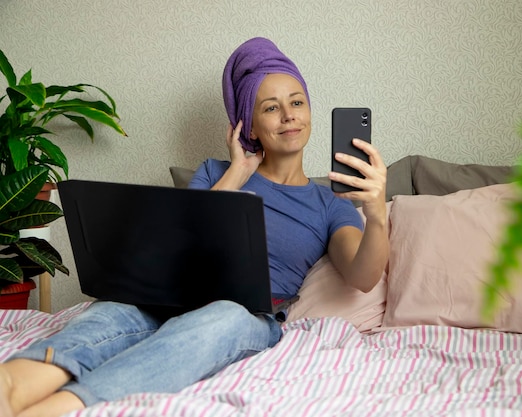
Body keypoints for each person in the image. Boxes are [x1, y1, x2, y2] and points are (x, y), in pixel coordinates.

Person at [0, 37, 388, 417]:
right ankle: (12, 388)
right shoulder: (215, 172)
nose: (289, 115)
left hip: (243, 316)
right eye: (271, 107)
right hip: (167, 298)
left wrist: (376, 211)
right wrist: (236, 173)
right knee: (109, 313)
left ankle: (60, 408)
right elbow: (180, 241)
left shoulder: (329, 203)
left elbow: (364, 275)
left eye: (297, 102)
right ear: (248, 126)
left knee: (218, 320)